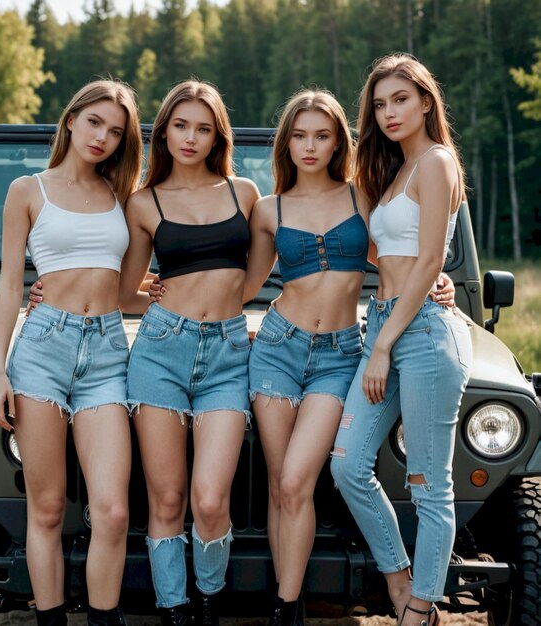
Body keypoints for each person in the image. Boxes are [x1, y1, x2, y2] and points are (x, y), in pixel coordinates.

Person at [0, 79, 146, 626]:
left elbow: (130, 289)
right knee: (48, 507)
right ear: (72, 119)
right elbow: (10, 286)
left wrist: (198, 307)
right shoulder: (27, 190)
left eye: (116, 131)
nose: (103, 136)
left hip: (106, 351)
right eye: (95, 121)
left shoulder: (121, 195)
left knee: (112, 510)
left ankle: (104, 618)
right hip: (41, 352)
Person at [330, 53, 472, 626]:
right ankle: (398, 577)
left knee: (429, 486)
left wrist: (385, 343)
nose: (390, 113)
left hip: (421, 337)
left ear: (426, 102)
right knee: (347, 466)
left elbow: (432, 254)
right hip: (386, 323)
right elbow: (385, 253)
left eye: (401, 100)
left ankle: (420, 608)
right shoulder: (394, 174)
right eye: (381, 104)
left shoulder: (436, 161)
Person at [117, 80, 260, 626]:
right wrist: (46, 293)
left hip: (228, 352)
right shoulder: (143, 202)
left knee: (208, 500)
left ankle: (208, 598)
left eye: (203, 128)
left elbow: (273, 267)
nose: (191, 138)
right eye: (181, 125)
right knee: (169, 499)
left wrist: (224, 310)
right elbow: (122, 291)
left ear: (216, 135)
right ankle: (177, 612)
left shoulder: (243, 193)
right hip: (159, 351)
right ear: (164, 131)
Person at [241, 89, 369, 626]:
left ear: (339, 140)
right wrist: (157, 294)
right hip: (275, 349)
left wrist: (437, 284)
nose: (309, 146)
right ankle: (285, 597)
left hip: (339, 357)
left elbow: (401, 259)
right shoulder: (269, 210)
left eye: (321, 135)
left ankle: (285, 607)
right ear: (285, 142)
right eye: (299, 135)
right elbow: (244, 284)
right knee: (279, 483)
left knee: (296, 481)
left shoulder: (366, 198)